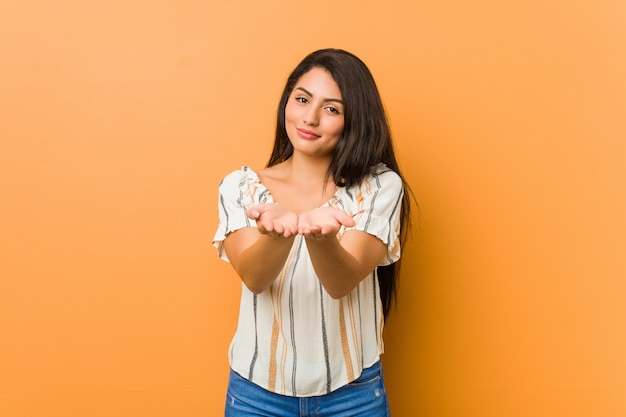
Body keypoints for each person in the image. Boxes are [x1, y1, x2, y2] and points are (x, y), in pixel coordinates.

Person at [213, 48, 412, 417]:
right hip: (256, 396)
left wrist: (320, 239)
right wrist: (279, 234)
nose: (311, 117)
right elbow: (255, 278)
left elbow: (341, 281)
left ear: (355, 121)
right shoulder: (241, 187)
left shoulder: (379, 187)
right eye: (302, 99)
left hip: (353, 395)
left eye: (332, 109)